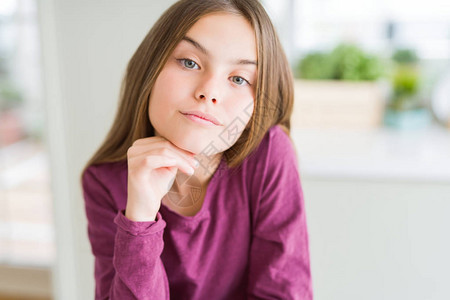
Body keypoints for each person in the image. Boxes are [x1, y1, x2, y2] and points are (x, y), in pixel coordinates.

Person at [80, 0, 313, 299]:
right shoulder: (104, 182)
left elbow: (285, 291)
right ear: (150, 67)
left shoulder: (268, 154)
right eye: (189, 62)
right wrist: (139, 220)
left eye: (239, 79)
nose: (209, 92)